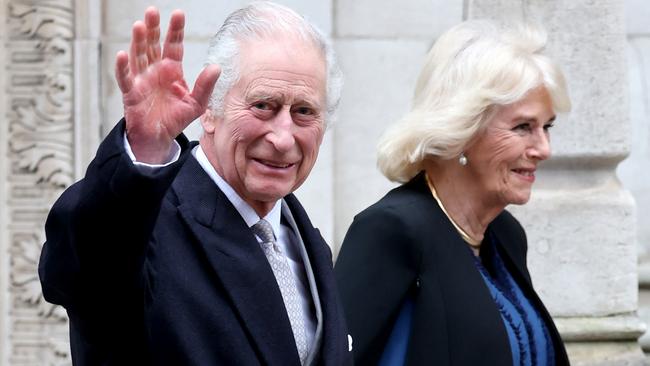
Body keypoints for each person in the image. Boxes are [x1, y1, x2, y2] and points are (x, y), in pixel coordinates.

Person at [38, 2, 352, 365]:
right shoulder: (148, 223)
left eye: (304, 112)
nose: (283, 138)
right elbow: (81, 269)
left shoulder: (304, 239)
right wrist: (145, 153)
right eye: (263, 106)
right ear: (210, 111)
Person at [335, 20, 571, 366]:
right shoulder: (391, 230)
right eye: (523, 127)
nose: (543, 148)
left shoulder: (505, 234)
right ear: (462, 128)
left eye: (546, 127)